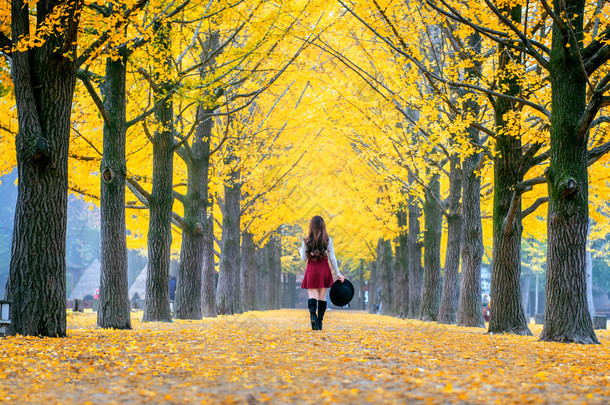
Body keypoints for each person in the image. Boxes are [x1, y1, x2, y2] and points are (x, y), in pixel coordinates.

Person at [299, 215, 344, 330]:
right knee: (322, 297)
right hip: (324, 269)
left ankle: (313, 316)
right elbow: (332, 258)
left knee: (312, 295)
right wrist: (338, 273)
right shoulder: (328, 240)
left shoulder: (306, 240)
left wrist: (300, 251)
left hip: (312, 269)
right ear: (323, 226)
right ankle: (319, 322)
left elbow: (304, 258)